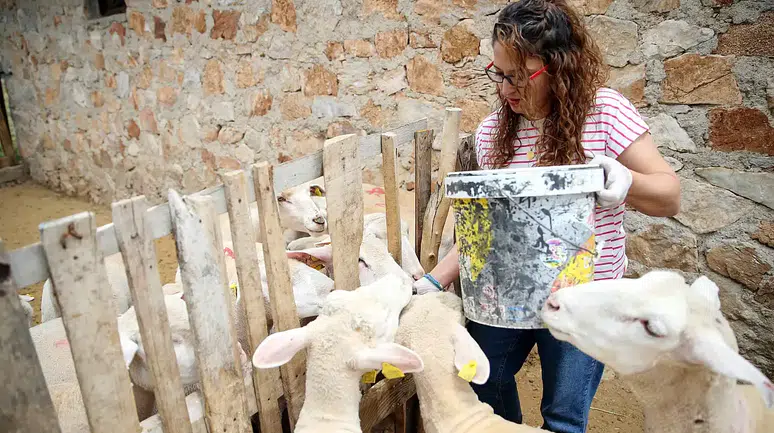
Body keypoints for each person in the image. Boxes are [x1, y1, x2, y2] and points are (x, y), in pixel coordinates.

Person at [412, 0, 681, 432]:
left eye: (518, 76)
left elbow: (669, 197)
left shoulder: (604, 113)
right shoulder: (492, 134)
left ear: (558, 67)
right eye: (499, 74)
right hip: (508, 294)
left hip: (585, 299)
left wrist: (626, 179)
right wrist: (433, 280)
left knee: (563, 416)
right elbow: (487, 233)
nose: (506, 90)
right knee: (483, 383)